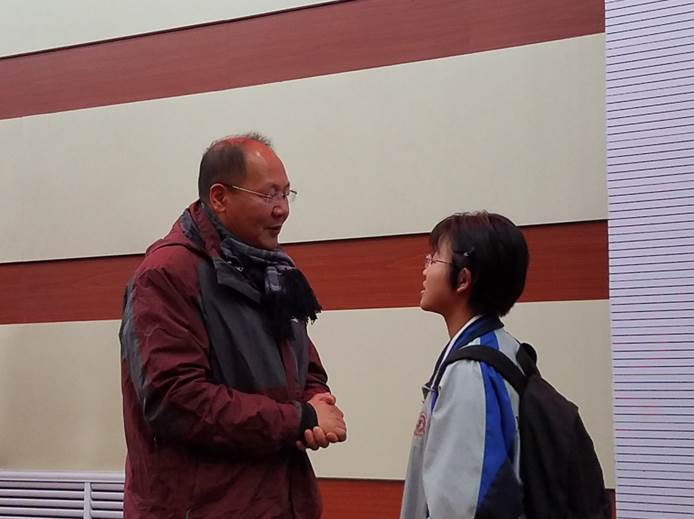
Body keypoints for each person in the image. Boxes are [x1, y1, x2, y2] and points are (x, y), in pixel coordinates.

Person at [119, 132, 346, 519]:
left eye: (286, 194)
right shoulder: (166, 275)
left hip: (280, 502)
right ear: (220, 197)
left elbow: (304, 367)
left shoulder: (273, 271)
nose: (282, 210)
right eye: (268, 195)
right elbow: (176, 400)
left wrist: (316, 400)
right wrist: (300, 419)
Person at [400, 211, 529, 519]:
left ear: (463, 279)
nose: (425, 270)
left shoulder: (471, 371)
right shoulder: (504, 348)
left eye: (434, 259)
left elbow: (465, 505)